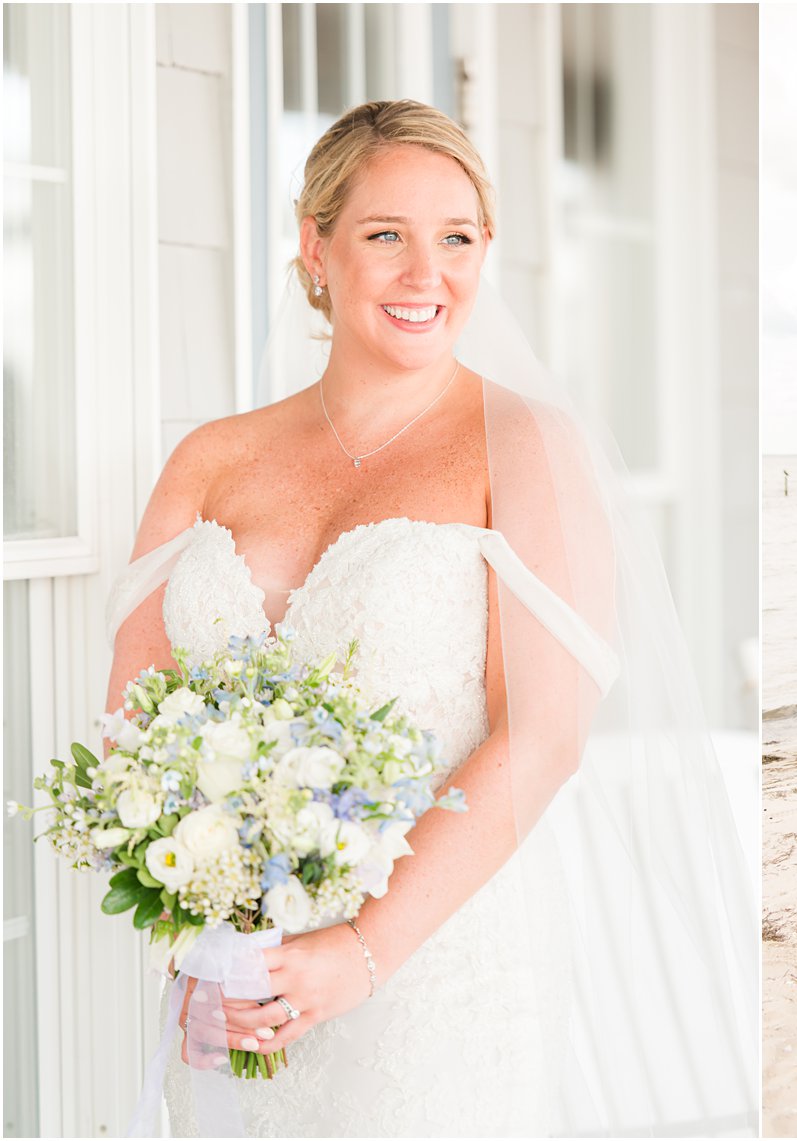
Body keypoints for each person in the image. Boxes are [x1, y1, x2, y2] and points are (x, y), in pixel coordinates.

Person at [105, 100, 756, 1136]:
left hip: (432, 979)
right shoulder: (209, 459)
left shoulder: (528, 446)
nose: (426, 273)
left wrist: (360, 955)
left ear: (485, 251)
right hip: (236, 982)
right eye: (384, 236)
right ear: (315, 248)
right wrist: (200, 939)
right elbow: (133, 729)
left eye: (455, 238)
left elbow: (543, 734)